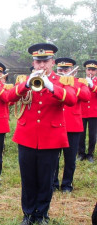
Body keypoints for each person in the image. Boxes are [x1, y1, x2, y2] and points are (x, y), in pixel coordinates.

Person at [8, 43, 77, 225]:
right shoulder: (25, 79)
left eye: (45, 61)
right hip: (26, 137)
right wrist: (25, 84)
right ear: (33, 62)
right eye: (38, 62)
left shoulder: (62, 80)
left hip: (51, 138)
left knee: (46, 180)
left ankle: (42, 214)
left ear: (52, 62)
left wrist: (51, 86)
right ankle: (28, 214)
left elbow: (71, 99)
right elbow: (9, 97)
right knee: (28, 178)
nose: (41, 65)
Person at [53, 58, 90, 193]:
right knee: (54, 157)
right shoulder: (52, 82)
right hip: (55, 125)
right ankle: (53, 183)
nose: (63, 72)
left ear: (72, 71)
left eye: (66, 70)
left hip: (72, 126)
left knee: (70, 158)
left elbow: (86, 96)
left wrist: (70, 84)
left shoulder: (80, 82)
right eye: (60, 70)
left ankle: (67, 184)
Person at [78, 60, 97, 162]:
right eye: (89, 69)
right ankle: (81, 154)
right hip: (82, 112)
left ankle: (90, 154)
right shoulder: (81, 81)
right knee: (81, 134)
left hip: (94, 112)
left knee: (93, 135)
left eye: (93, 70)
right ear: (86, 70)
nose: (91, 72)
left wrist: (92, 86)